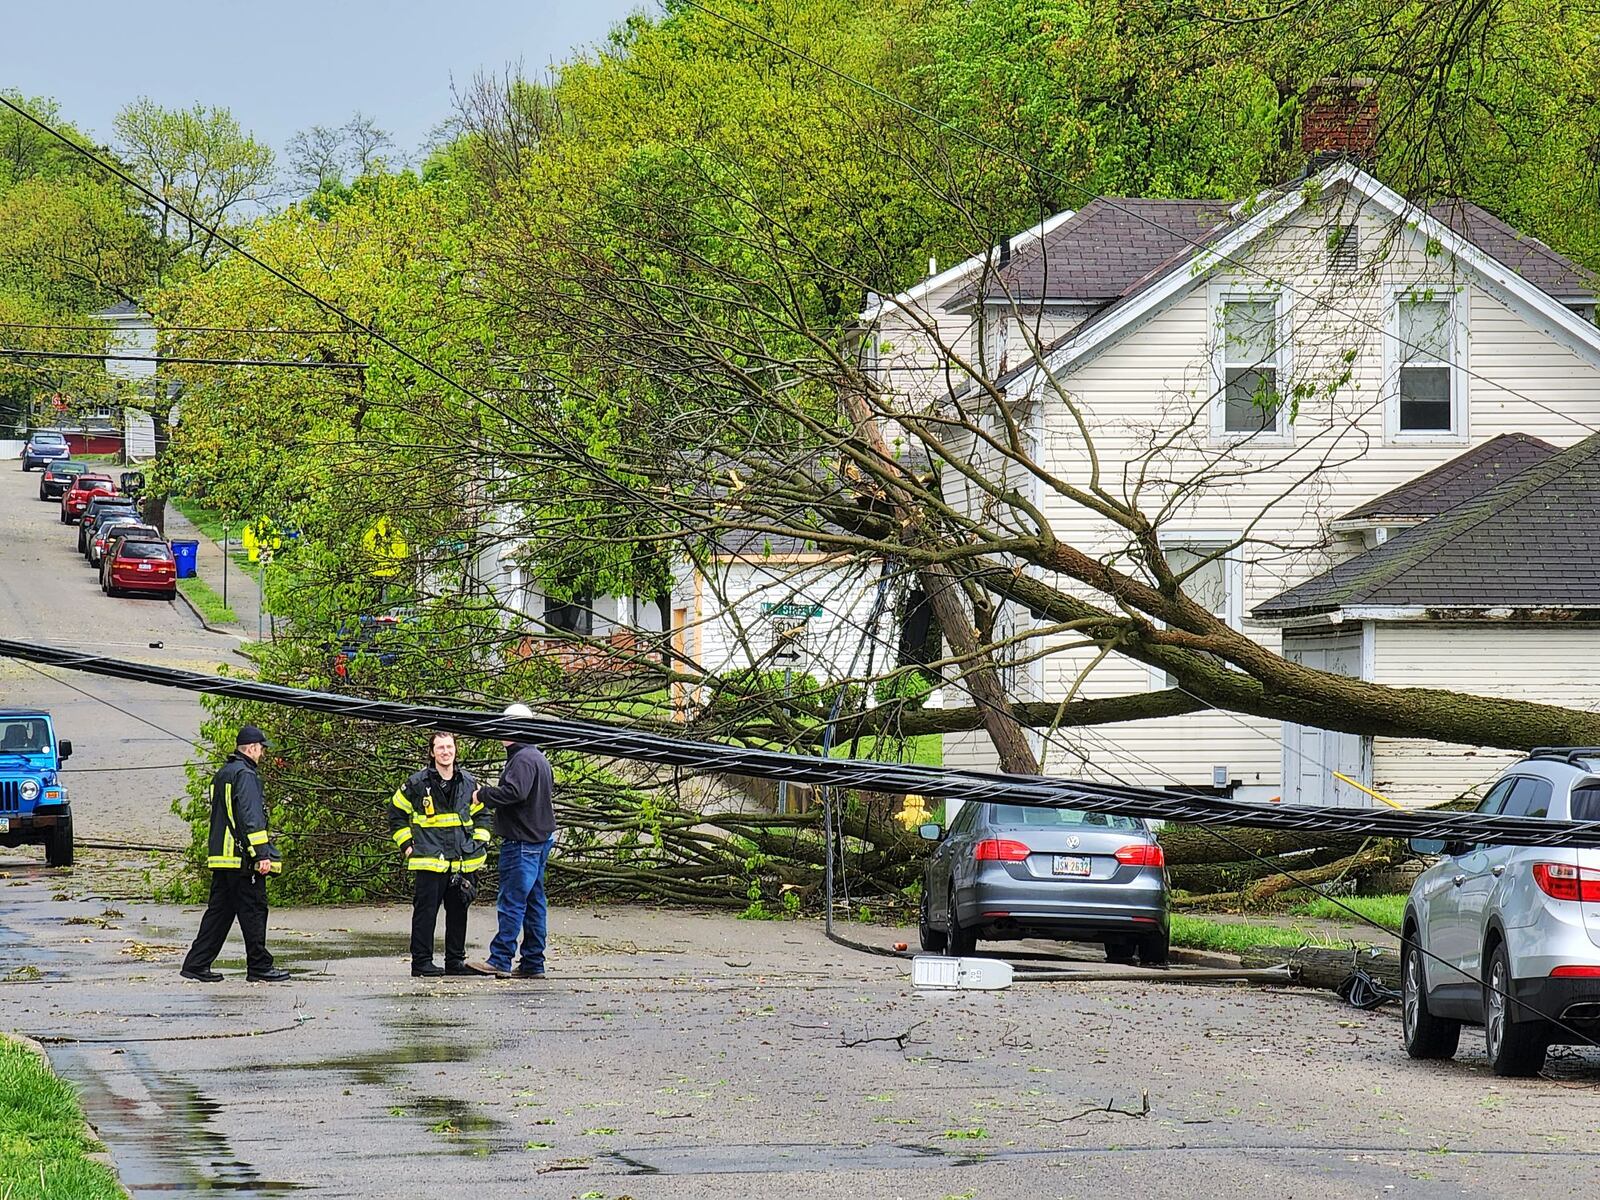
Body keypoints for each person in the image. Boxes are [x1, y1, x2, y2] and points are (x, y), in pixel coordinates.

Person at [180, 725, 289, 983]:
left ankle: (196, 963)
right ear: (251, 748)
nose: (262, 753)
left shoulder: (223, 774)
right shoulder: (246, 775)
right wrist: (261, 854)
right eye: (261, 748)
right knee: (254, 911)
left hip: (221, 857)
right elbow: (250, 818)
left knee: (219, 913)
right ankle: (260, 966)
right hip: (242, 859)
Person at [389, 730, 495, 977]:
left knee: (459, 912)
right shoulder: (416, 784)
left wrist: (479, 843)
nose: (446, 752)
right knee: (425, 914)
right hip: (429, 860)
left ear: (456, 750)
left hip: (460, 860)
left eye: (449, 747)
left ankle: (455, 961)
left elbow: (483, 816)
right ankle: (422, 962)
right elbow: (395, 813)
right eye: (440, 748)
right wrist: (406, 845)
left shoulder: (469, 782)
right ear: (431, 752)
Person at [474, 703, 557, 979]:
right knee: (534, 903)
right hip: (539, 839)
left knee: (512, 901)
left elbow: (515, 792)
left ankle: (500, 958)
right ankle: (534, 961)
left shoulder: (521, 759)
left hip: (522, 842)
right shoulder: (537, 757)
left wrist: (483, 795)